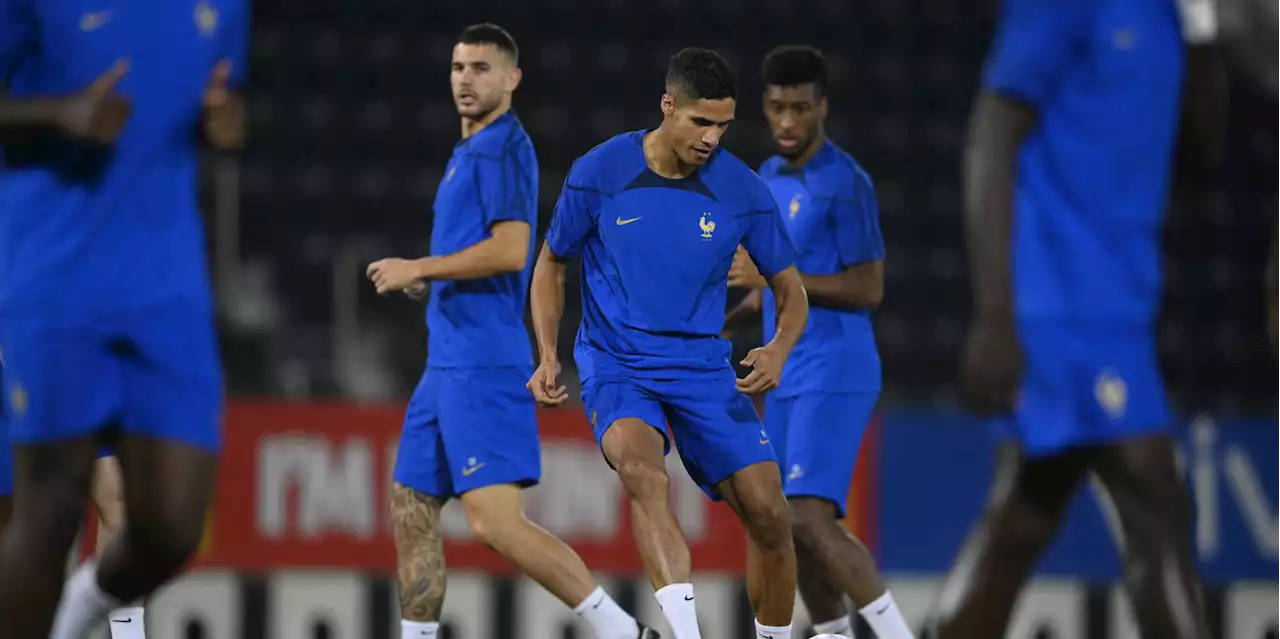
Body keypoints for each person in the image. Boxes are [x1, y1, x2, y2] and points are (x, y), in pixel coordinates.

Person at [925, 0, 1213, 637]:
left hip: (1122, 303)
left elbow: (1208, 141)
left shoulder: (1170, 16)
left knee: (1024, 519)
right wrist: (996, 314)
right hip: (1063, 301)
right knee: (1153, 499)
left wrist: (1203, 25)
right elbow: (992, 135)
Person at [364, 24, 657, 639]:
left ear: (512, 78)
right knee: (412, 505)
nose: (466, 79)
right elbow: (476, 255)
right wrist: (433, 281)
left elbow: (510, 249)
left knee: (495, 523)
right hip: (444, 362)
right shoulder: (467, 151)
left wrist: (419, 266)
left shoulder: (503, 146)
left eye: (481, 68)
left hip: (481, 361)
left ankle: (623, 632)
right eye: (458, 67)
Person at [528, 47, 809, 639]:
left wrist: (779, 348)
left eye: (723, 126)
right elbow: (552, 262)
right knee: (643, 473)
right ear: (668, 106)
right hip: (618, 363)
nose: (712, 138)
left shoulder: (743, 190)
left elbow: (791, 289)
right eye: (701, 122)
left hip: (704, 370)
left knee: (770, 513)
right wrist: (549, 352)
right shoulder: (601, 172)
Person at [0, 0, 248, 635]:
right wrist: (58, 114)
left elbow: (223, 103)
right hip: (54, 267)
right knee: (47, 507)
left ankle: (84, 609)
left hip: (165, 281)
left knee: (170, 528)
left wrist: (225, 122)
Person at [722, 45, 913, 639]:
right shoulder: (767, 178)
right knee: (782, 522)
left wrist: (773, 278)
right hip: (787, 368)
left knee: (807, 517)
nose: (786, 122)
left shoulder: (845, 182)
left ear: (822, 107)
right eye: (777, 108)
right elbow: (767, 289)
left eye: (800, 109)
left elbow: (868, 285)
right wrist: (724, 327)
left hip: (837, 361)